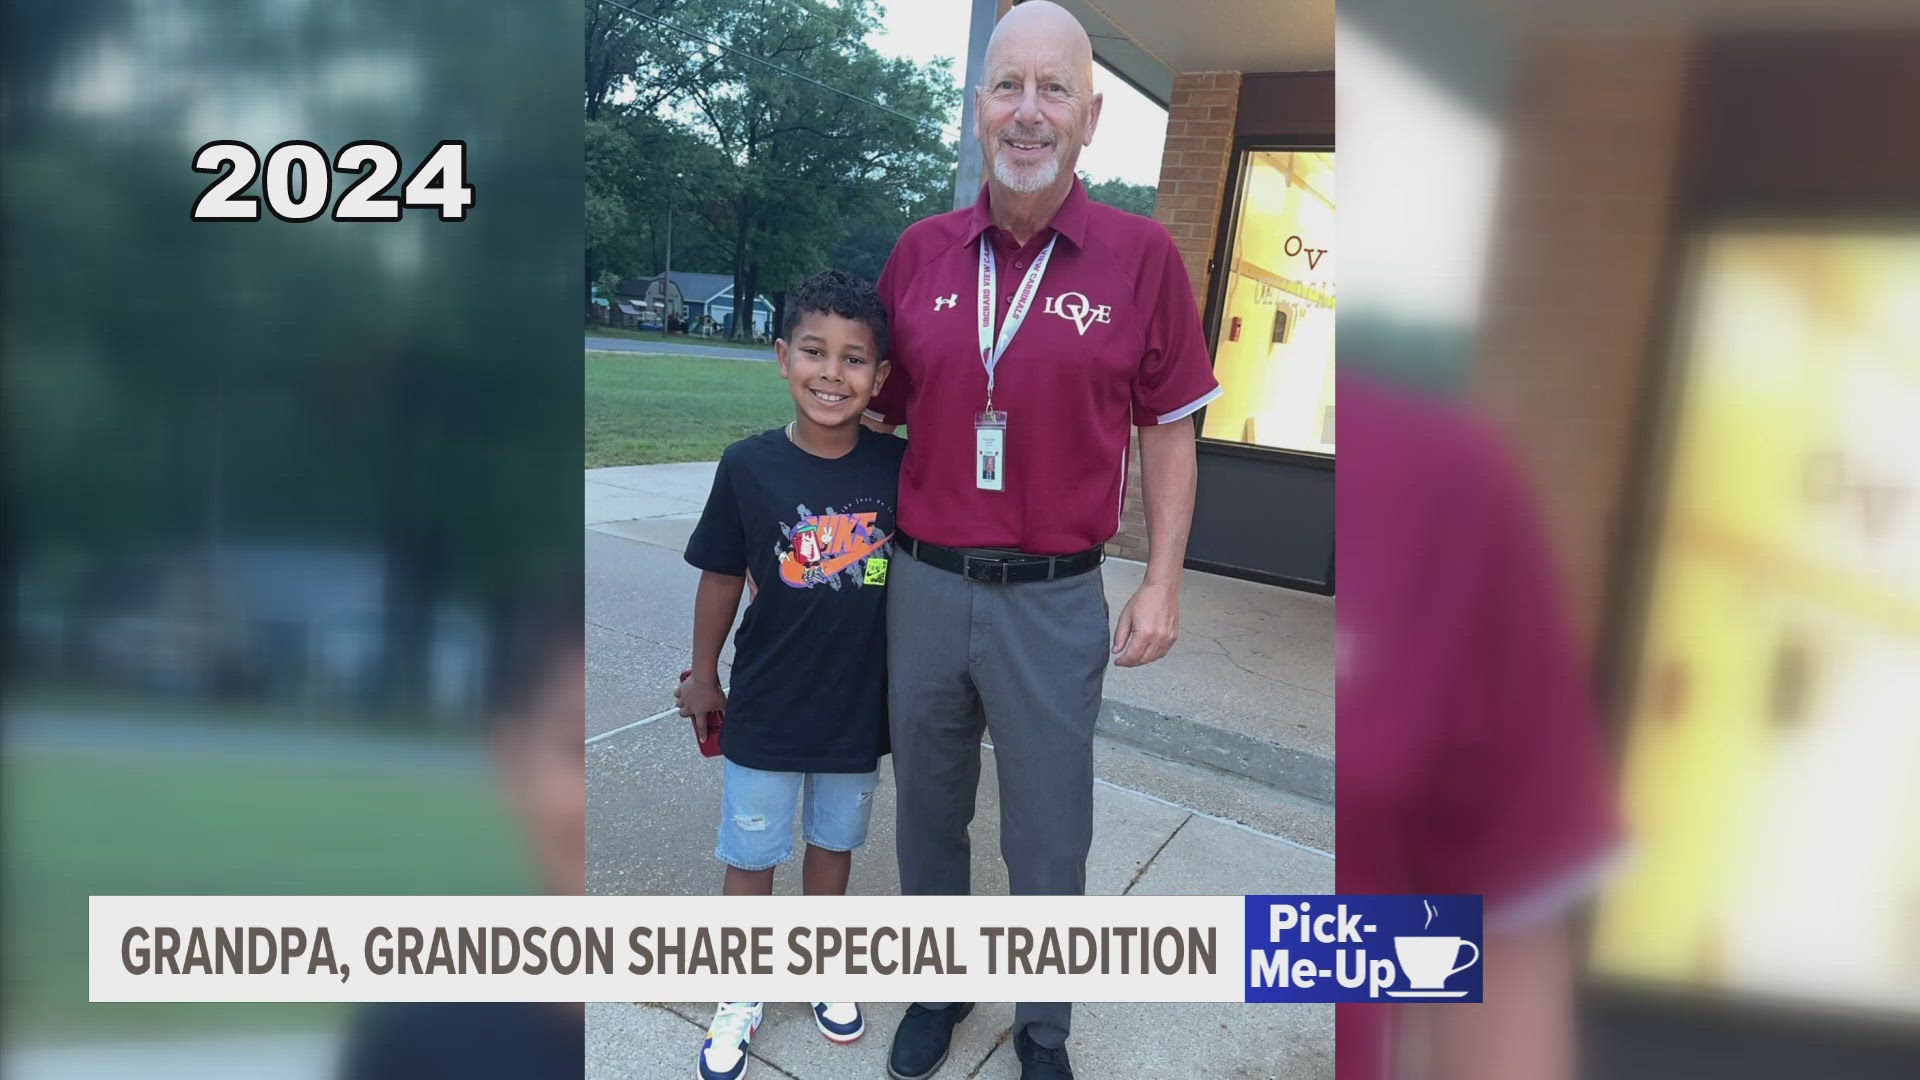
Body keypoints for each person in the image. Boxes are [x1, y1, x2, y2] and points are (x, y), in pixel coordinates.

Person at [861, 4, 1220, 1077]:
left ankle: (1046, 1025)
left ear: (1090, 115)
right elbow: (873, 422)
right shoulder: (919, 254)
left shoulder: (1142, 258)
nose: (1029, 112)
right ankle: (941, 985)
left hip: (1056, 598)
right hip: (923, 585)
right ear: (978, 112)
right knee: (928, 813)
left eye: (1052, 89)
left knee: (1047, 835)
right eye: (1007, 87)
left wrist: (1162, 582)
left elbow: (1169, 431)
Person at [676, 269, 906, 1080]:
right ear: (782, 358)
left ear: (879, 378)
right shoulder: (748, 466)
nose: (831, 374)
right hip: (766, 702)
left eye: (853, 360)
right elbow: (720, 577)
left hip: (856, 706)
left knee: (834, 844)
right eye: (814, 352)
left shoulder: (898, 468)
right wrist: (703, 676)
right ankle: (738, 990)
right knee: (751, 854)